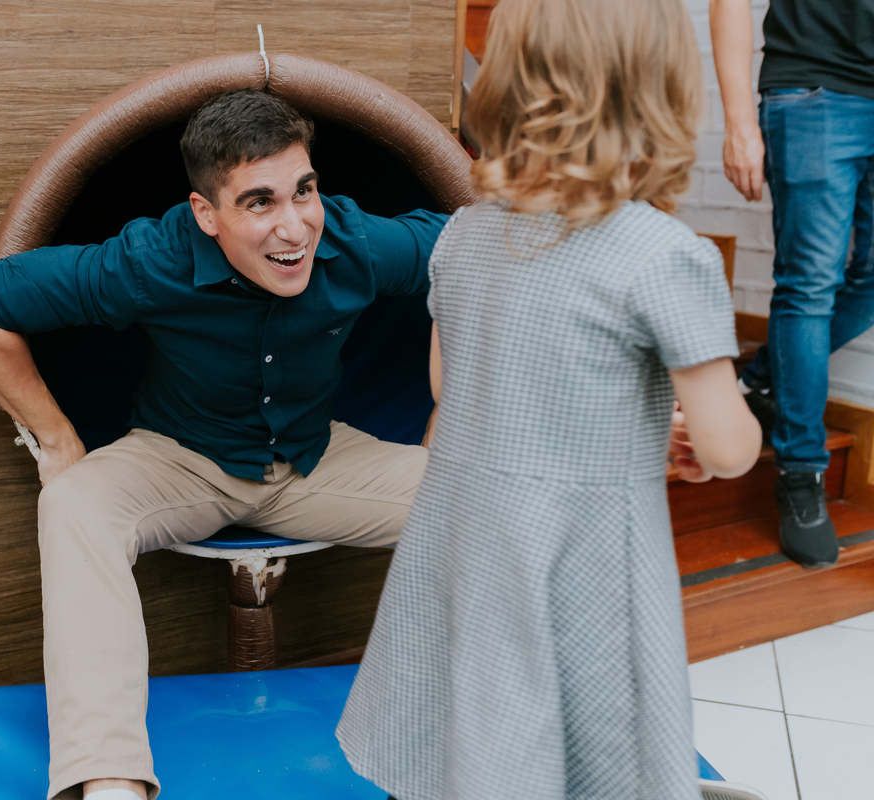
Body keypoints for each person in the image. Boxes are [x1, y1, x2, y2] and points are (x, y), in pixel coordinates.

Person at [0, 89, 448, 800]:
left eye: (305, 190)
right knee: (76, 506)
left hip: (317, 459)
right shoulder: (150, 261)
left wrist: (446, 414)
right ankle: (109, 780)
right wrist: (56, 442)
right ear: (206, 214)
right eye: (260, 202)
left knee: (485, 497)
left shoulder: (353, 242)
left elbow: (472, 255)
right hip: (179, 460)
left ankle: (482, 732)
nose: (296, 224)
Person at [337, 0, 763, 798]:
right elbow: (729, 448)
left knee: (466, 721)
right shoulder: (667, 256)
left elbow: (448, 386)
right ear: (662, 89)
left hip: (464, 538)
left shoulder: (462, 235)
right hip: (584, 555)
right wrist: (694, 428)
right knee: (586, 749)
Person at [710, 0, 874, 568]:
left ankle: (760, 379)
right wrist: (738, 121)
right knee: (808, 285)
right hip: (814, 90)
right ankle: (801, 474)